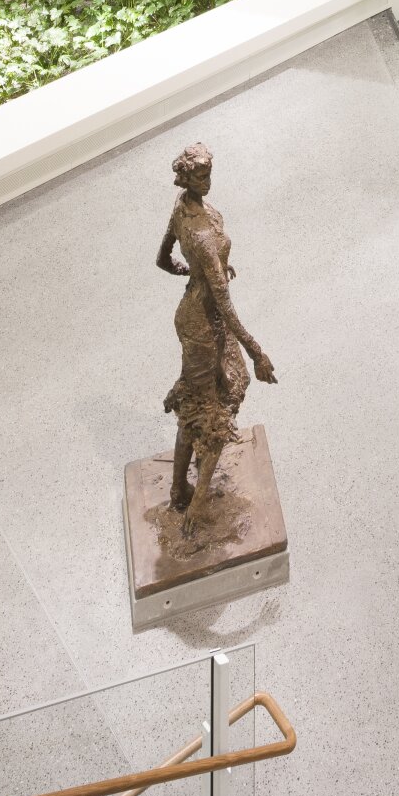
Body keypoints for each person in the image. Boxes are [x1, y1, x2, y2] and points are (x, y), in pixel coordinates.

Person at [156, 141, 276, 516]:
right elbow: (224, 304)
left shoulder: (183, 207)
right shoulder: (204, 237)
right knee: (213, 407)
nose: (208, 182)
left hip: (195, 313)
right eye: (201, 176)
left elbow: (163, 259)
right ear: (187, 177)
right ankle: (192, 506)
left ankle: (179, 488)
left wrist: (200, 275)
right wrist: (258, 352)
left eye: (209, 174)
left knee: (206, 399)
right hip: (204, 325)